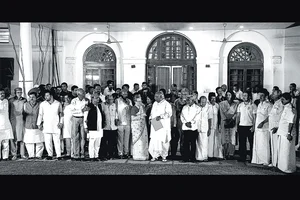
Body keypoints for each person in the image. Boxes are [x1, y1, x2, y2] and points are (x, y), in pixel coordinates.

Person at [272, 92, 296, 173]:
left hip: (286, 133)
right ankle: (282, 167)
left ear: (288, 100)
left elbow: (291, 122)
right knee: (282, 151)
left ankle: (287, 169)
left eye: (283, 99)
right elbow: (283, 121)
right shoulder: (285, 107)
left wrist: (289, 133)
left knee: (286, 152)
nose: (281, 101)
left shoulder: (290, 109)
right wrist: (277, 128)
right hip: (282, 132)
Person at [37, 90, 63, 160]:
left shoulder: (58, 103)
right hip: (47, 125)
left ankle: (59, 155)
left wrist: (61, 122)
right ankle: (50, 154)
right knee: (48, 141)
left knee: (57, 141)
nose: (46, 97)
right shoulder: (42, 104)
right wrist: (39, 123)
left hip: (56, 125)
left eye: (47, 95)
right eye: (45, 96)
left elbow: (61, 114)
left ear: (51, 96)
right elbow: (40, 114)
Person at [148, 91, 172, 162]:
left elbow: (169, 114)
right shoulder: (155, 103)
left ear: (161, 97)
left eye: (156, 96)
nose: (154, 98)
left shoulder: (167, 104)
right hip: (155, 123)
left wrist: (161, 116)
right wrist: (150, 118)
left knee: (163, 140)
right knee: (155, 140)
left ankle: (164, 156)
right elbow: (152, 112)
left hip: (163, 124)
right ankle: (155, 155)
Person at [251, 88, 272, 166]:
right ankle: (257, 159)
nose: (261, 97)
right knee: (258, 143)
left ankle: (265, 160)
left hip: (264, 127)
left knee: (264, 144)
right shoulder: (259, 104)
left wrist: (263, 123)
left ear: (266, 96)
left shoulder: (269, 105)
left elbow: (270, 116)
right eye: (260, 95)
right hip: (257, 127)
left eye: (262, 95)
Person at [23, 91, 45, 160]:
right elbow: (23, 115)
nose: (31, 98)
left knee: (39, 141)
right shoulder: (25, 104)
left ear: (36, 98)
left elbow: (43, 114)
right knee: (29, 141)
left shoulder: (40, 104)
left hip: (37, 125)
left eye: (33, 97)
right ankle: (31, 155)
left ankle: (38, 155)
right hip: (28, 125)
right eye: (30, 97)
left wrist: (41, 123)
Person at [236, 91, 257, 163]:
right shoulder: (240, 105)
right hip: (242, 126)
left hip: (250, 126)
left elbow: (255, 117)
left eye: (245, 95)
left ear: (249, 96)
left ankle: (252, 157)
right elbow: (238, 116)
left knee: (251, 142)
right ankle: (242, 157)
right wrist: (236, 125)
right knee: (242, 142)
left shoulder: (253, 105)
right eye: (243, 95)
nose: (244, 97)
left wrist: (254, 126)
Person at [84, 93, 105, 161]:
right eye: (96, 98)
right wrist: (85, 127)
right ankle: (91, 156)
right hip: (92, 127)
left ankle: (96, 156)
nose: (97, 99)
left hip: (99, 127)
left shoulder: (99, 106)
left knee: (98, 143)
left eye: (98, 98)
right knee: (92, 143)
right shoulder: (88, 106)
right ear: (92, 98)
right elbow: (85, 117)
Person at [70, 88, 89, 160]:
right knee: (75, 137)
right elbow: (72, 110)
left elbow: (87, 109)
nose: (84, 95)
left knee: (83, 136)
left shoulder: (86, 100)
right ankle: (76, 153)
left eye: (84, 94)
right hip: (75, 118)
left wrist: (83, 110)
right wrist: (81, 110)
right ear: (78, 94)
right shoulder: (74, 101)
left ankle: (82, 153)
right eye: (82, 94)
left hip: (83, 118)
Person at [180, 95, 200, 162]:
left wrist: (191, 122)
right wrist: (185, 122)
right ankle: (186, 157)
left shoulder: (197, 108)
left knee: (193, 143)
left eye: (189, 100)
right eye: (187, 100)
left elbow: (197, 117)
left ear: (193, 100)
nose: (188, 101)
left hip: (193, 127)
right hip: (186, 127)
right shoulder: (184, 107)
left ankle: (192, 157)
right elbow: (182, 116)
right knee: (186, 143)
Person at [8, 87, 27, 160]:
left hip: (22, 120)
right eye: (18, 92)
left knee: (22, 138)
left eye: (20, 92)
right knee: (14, 138)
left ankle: (22, 154)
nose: (19, 93)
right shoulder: (11, 101)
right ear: (15, 93)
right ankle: (14, 154)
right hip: (13, 120)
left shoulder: (24, 100)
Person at [219, 91, 239, 160]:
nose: (228, 96)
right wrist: (226, 120)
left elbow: (237, 113)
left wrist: (232, 118)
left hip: (233, 122)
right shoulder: (222, 103)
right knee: (225, 137)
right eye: (227, 95)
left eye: (229, 95)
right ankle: (225, 153)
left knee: (232, 137)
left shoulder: (235, 104)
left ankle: (231, 153)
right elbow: (221, 113)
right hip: (224, 121)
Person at [130, 93, 149, 160]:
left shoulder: (142, 107)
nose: (140, 101)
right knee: (138, 141)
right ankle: (138, 155)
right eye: (138, 100)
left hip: (143, 126)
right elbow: (132, 118)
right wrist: (140, 115)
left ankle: (144, 154)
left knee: (143, 140)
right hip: (137, 128)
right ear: (135, 100)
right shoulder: (134, 108)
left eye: (140, 100)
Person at [268, 89, 284, 167]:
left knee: (276, 145)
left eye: (274, 93)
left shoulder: (280, 104)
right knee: (273, 145)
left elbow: (281, 117)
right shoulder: (275, 103)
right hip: (272, 126)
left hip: (276, 127)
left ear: (278, 94)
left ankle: (277, 163)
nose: (272, 95)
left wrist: (277, 127)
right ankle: (274, 162)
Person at [115, 89, 132, 159]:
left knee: (127, 138)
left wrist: (128, 105)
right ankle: (120, 152)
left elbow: (131, 110)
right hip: (120, 120)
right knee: (120, 138)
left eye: (126, 93)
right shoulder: (117, 100)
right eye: (123, 93)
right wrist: (116, 118)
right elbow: (116, 110)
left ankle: (126, 152)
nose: (125, 94)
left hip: (128, 121)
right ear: (121, 94)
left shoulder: (129, 101)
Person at [195, 96, 213, 162]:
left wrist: (210, 128)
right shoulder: (197, 107)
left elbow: (210, 119)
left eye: (205, 102)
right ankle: (199, 157)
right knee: (198, 142)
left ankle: (205, 156)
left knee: (205, 143)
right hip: (198, 127)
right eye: (202, 102)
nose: (203, 103)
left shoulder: (209, 107)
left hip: (205, 127)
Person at [207, 92, 223, 160]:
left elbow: (219, 116)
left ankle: (216, 154)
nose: (213, 100)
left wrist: (219, 125)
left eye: (214, 98)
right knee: (210, 140)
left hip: (216, 125)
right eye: (212, 98)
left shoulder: (217, 105)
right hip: (209, 126)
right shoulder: (207, 105)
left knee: (216, 140)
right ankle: (209, 155)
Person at [102, 94, 118, 159]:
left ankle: (111, 155)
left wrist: (116, 119)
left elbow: (116, 113)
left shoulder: (114, 105)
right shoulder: (103, 105)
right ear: (106, 99)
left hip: (113, 126)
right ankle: (105, 154)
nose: (110, 100)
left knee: (112, 142)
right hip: (105, 126)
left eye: (111, 99)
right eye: (109, 99)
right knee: (105, 142)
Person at [174, 88, 189, 157]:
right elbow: (174, 112)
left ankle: (186, 152)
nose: (184, 95)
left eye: (186, 94)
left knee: (187, 137)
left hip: (188, 121)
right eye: (183, 94)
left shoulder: (190, 101)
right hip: (179, 120)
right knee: (180, 136)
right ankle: (181, 152)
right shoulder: (177, 101)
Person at [0, 88, 14, 161]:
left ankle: (5, 157)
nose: (2, 95)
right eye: (0, 93)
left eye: (3, 93)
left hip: (6, 124)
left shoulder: (6, 101)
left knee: (6, 142)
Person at [62, 94, 73, 160]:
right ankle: (68, 153)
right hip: (65, 124)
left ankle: (73, 152)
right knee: (67, 138)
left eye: (68, 98)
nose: (66, 99)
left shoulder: (73, 106)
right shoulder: (64, 106)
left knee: (72, 138)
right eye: (65, 98)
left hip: (71, 124)